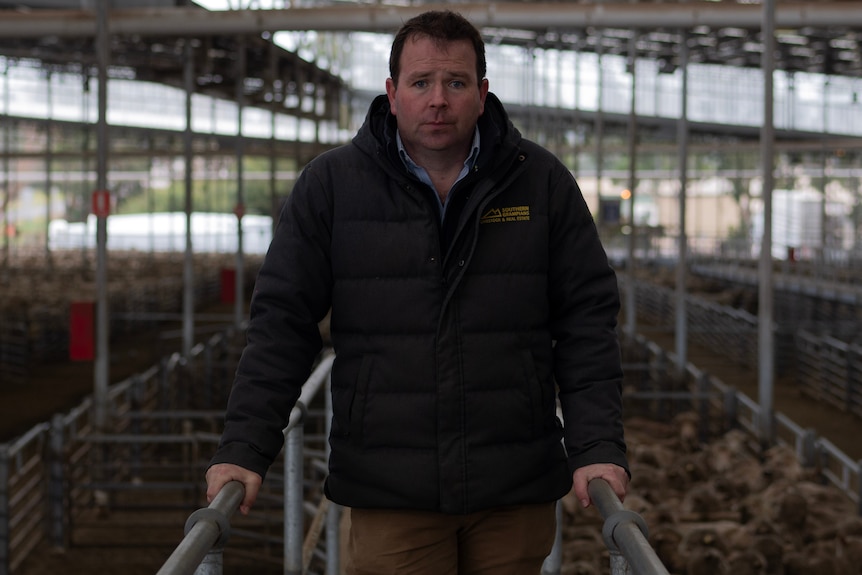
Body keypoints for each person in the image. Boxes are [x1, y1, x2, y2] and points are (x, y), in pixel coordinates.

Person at [206, 9, 629, 574]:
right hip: (390, 488)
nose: (438, 100)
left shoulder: (541, 182)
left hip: (513, 483)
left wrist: (597, 445)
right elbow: (282, 324)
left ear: (481, 93)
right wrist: (244, 448)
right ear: (392, 92)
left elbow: (586, 322)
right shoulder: (331, 187)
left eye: (455, 83)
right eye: (421, 83)